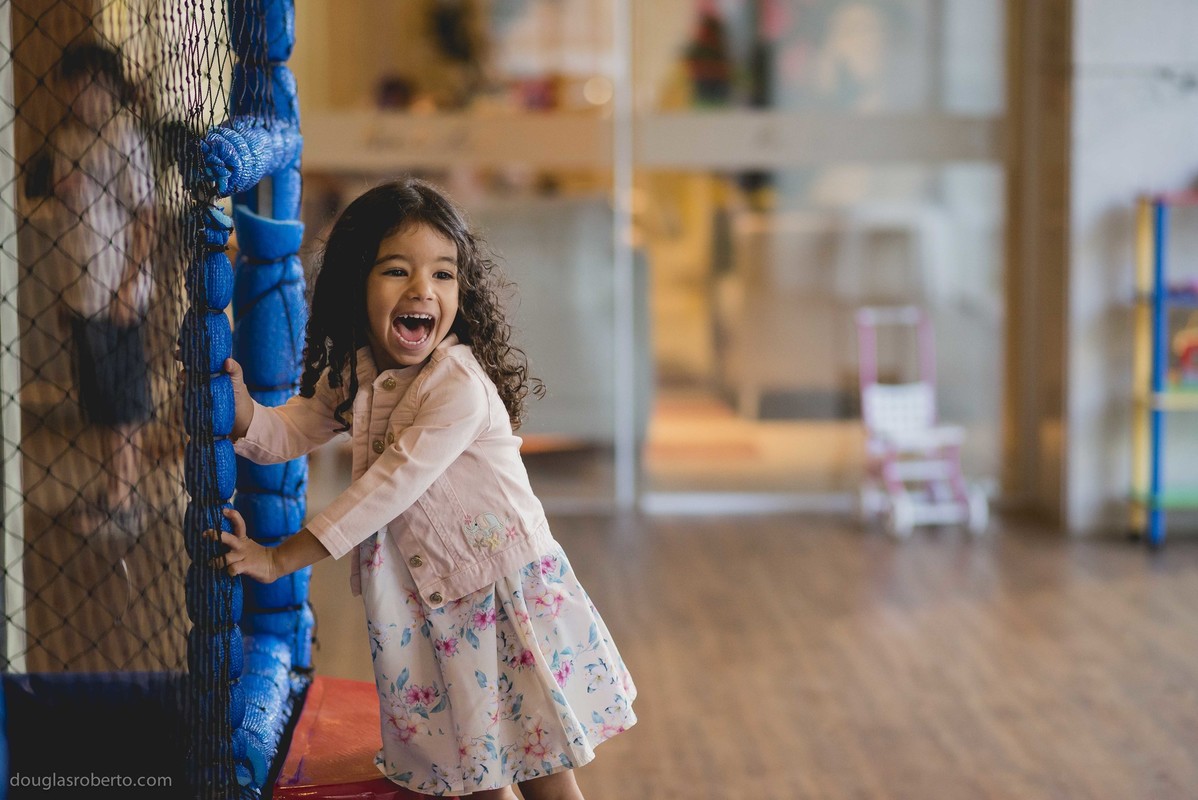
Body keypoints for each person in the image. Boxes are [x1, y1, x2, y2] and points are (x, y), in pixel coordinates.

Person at [210, 178, 636, 798]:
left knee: (544, 770)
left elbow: (387, 487)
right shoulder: (356, 370)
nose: (423, 290)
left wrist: (280, 559)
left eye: (443, 274)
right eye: (396, 270)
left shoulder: (456, 387)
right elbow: (293, 428)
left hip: (503, 597)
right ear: (357, 283)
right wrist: (245, 412)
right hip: (436, 610)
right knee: (479, 780)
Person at [51, 42, 156, 525]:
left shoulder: (125, 135)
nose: (83, 96)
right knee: (97, 402)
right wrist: (61, 291)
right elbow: (66, 224)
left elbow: (147, 218)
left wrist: (127, 287)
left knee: (123, 401)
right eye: (74, 86)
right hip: (79, 291)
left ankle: (124, 500)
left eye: (92, 84)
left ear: (110, 86)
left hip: (115, 291)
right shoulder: (67, 140)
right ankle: (110, 491)